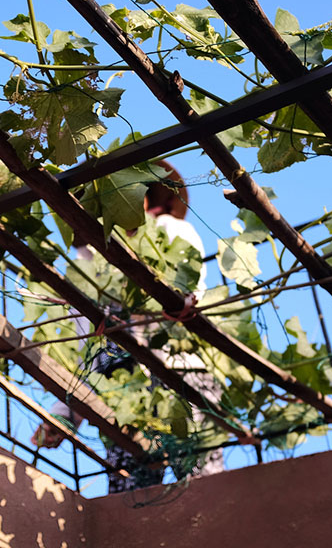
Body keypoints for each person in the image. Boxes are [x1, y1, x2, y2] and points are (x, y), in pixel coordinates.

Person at [31, 163, 225, 493]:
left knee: (202, 484)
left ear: (146, 199)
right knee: (130, 495)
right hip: (121, 401)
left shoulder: (170, 230)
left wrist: (172, 301)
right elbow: (89, 356)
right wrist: (64, 413)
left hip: (179, 378)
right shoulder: (85, 270)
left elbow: (189, 291)